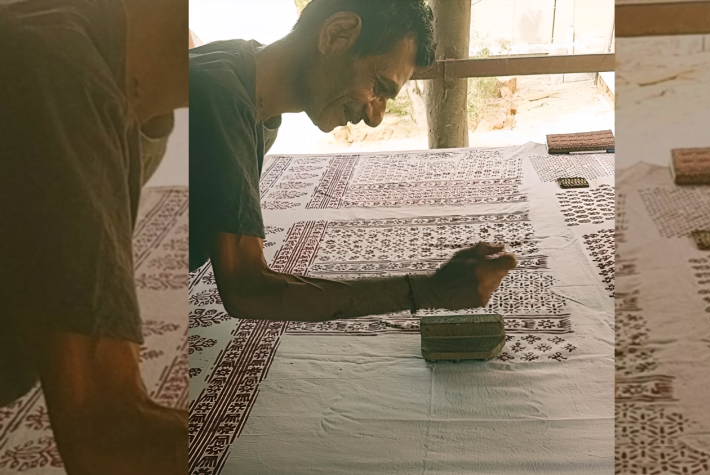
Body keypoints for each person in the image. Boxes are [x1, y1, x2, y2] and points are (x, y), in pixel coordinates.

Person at [189, 0, 517, 322]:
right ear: (337, 34)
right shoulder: (219, 98)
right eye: (379, 87)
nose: (375, 117)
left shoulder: (241, 67)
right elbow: (247, 289)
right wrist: (428, 291)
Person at [0, 0, 187, 473]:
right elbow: (109, 439)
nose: (375, 118)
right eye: (383, 87)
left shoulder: (136, 102)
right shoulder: (57, 69)